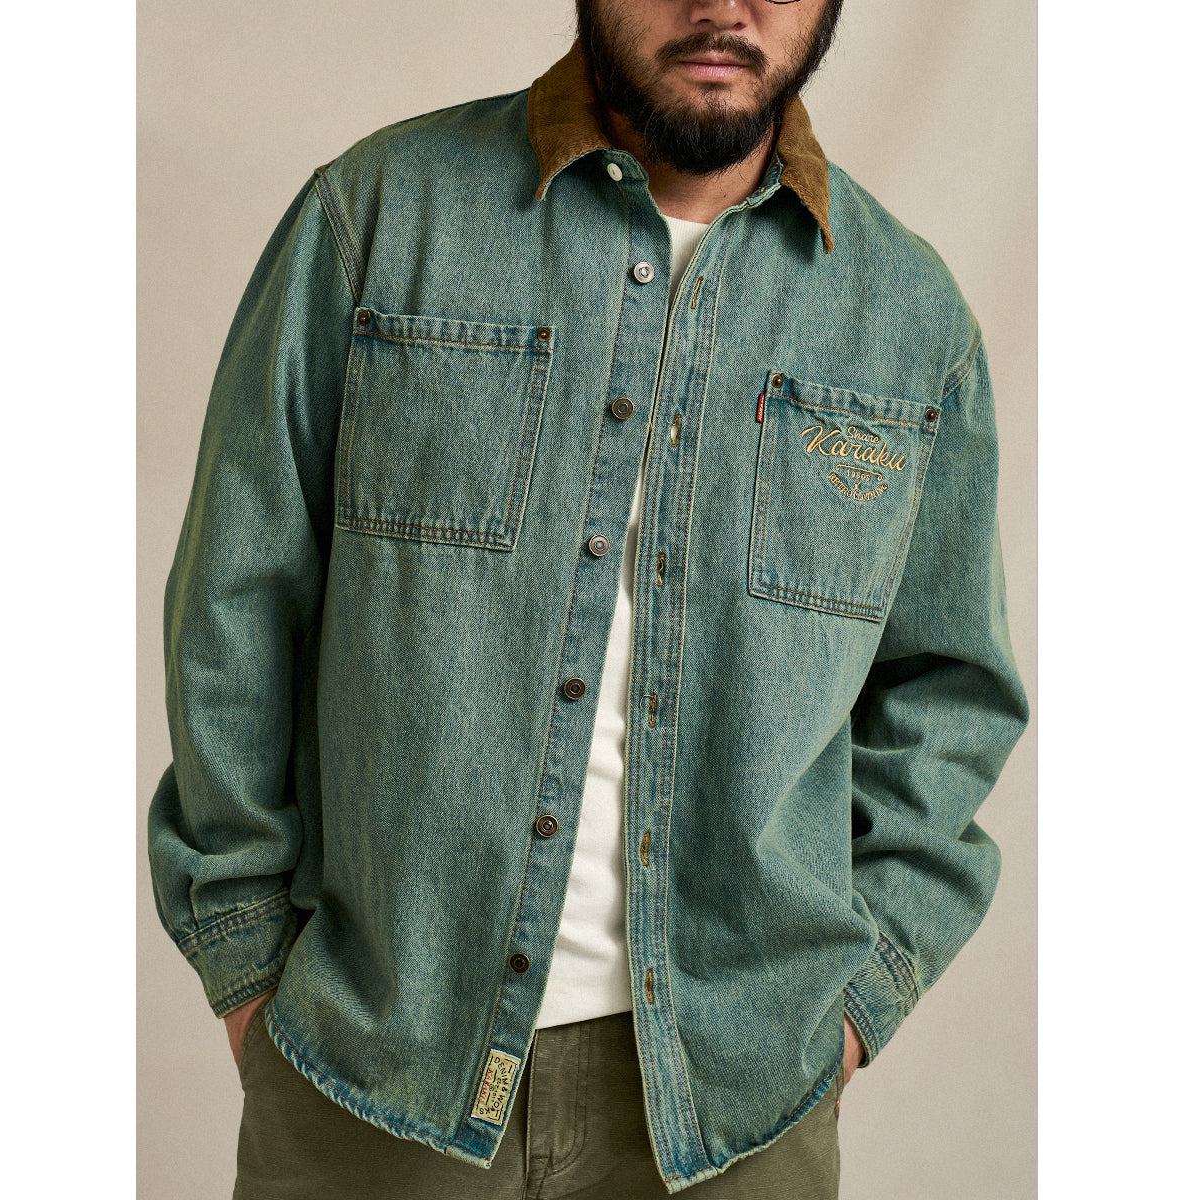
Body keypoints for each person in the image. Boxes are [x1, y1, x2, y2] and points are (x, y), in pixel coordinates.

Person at [147, 1, 1029, 1196]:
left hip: (739, 1108)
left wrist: (856, 1005)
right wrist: (246, 959)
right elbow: (235, 601)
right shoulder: (378, 217)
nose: (724, 5)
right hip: (371, 1074)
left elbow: (950, 696)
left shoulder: (911, 318)